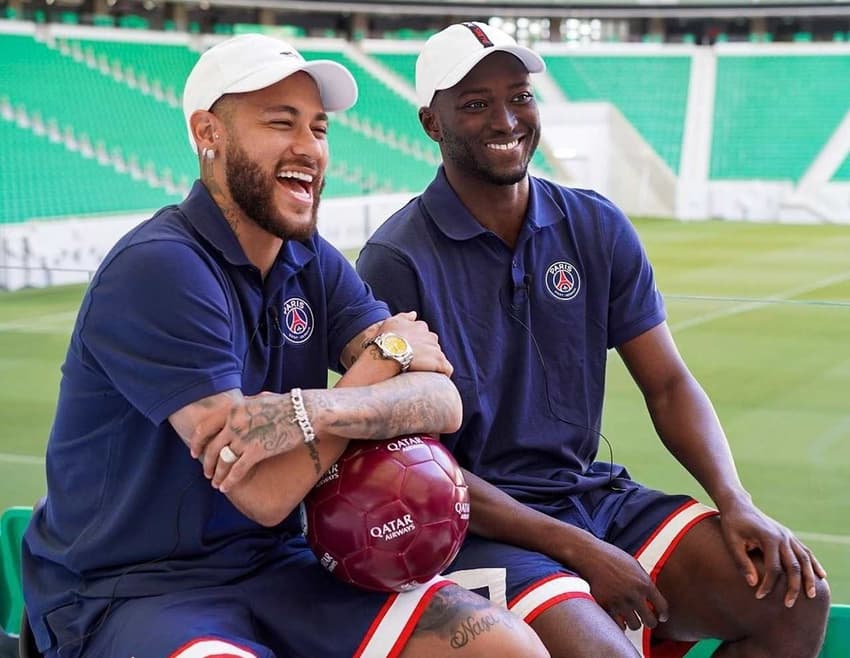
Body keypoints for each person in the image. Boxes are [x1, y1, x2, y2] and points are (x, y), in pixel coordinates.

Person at [21, 34, 550, 658]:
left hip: (284, 568)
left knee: (503, 646)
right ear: (208, 133)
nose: (309, 148)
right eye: (281, 123)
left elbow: (443, 399)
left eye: (319, 128)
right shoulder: (161, 265)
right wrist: (382, 362)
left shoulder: (309, 259)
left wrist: (313, 411)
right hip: (131, 591)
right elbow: (264, 494)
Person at [356, 21, 831, 658]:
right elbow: (422, 469)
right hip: (477, 524)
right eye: (474, 103)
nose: (505, 119)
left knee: (793, 595)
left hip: (591, 496)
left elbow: (667, 384)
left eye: (519, 96)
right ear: (431, 123)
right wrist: (579, 550)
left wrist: (735, 499)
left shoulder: (594, 223)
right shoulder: (396, 258)